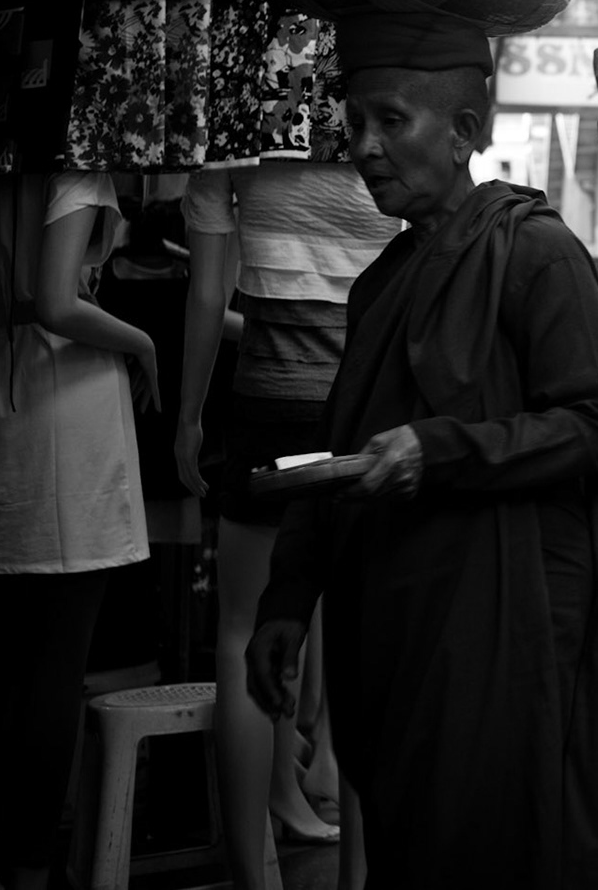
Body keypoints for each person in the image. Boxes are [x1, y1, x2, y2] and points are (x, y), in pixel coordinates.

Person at [246, 0, 598, 886]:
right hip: (397, 637)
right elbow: (339, 456)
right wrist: (288, 596)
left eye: (391, 121)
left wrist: (440, 449)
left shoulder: (534, 251)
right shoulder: (381, 285)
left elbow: (594, 427)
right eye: (355, 117)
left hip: (502, 641)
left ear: (466, 131)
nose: (363, 146)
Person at [0, 173, 156, 890]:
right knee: (54, 670)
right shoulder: (76, 159)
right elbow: (59, 300)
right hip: (61, 401)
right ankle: (27, 875)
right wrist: (144, 342)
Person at [177, 159, 402, 887]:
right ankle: (358, 877)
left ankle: (254, 876)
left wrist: (187, 416)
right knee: (368, 640)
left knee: (242, 628)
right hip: (367, 402)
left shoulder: (233, 130)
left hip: (267, 405)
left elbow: (208, 292)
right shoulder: (385, 119)